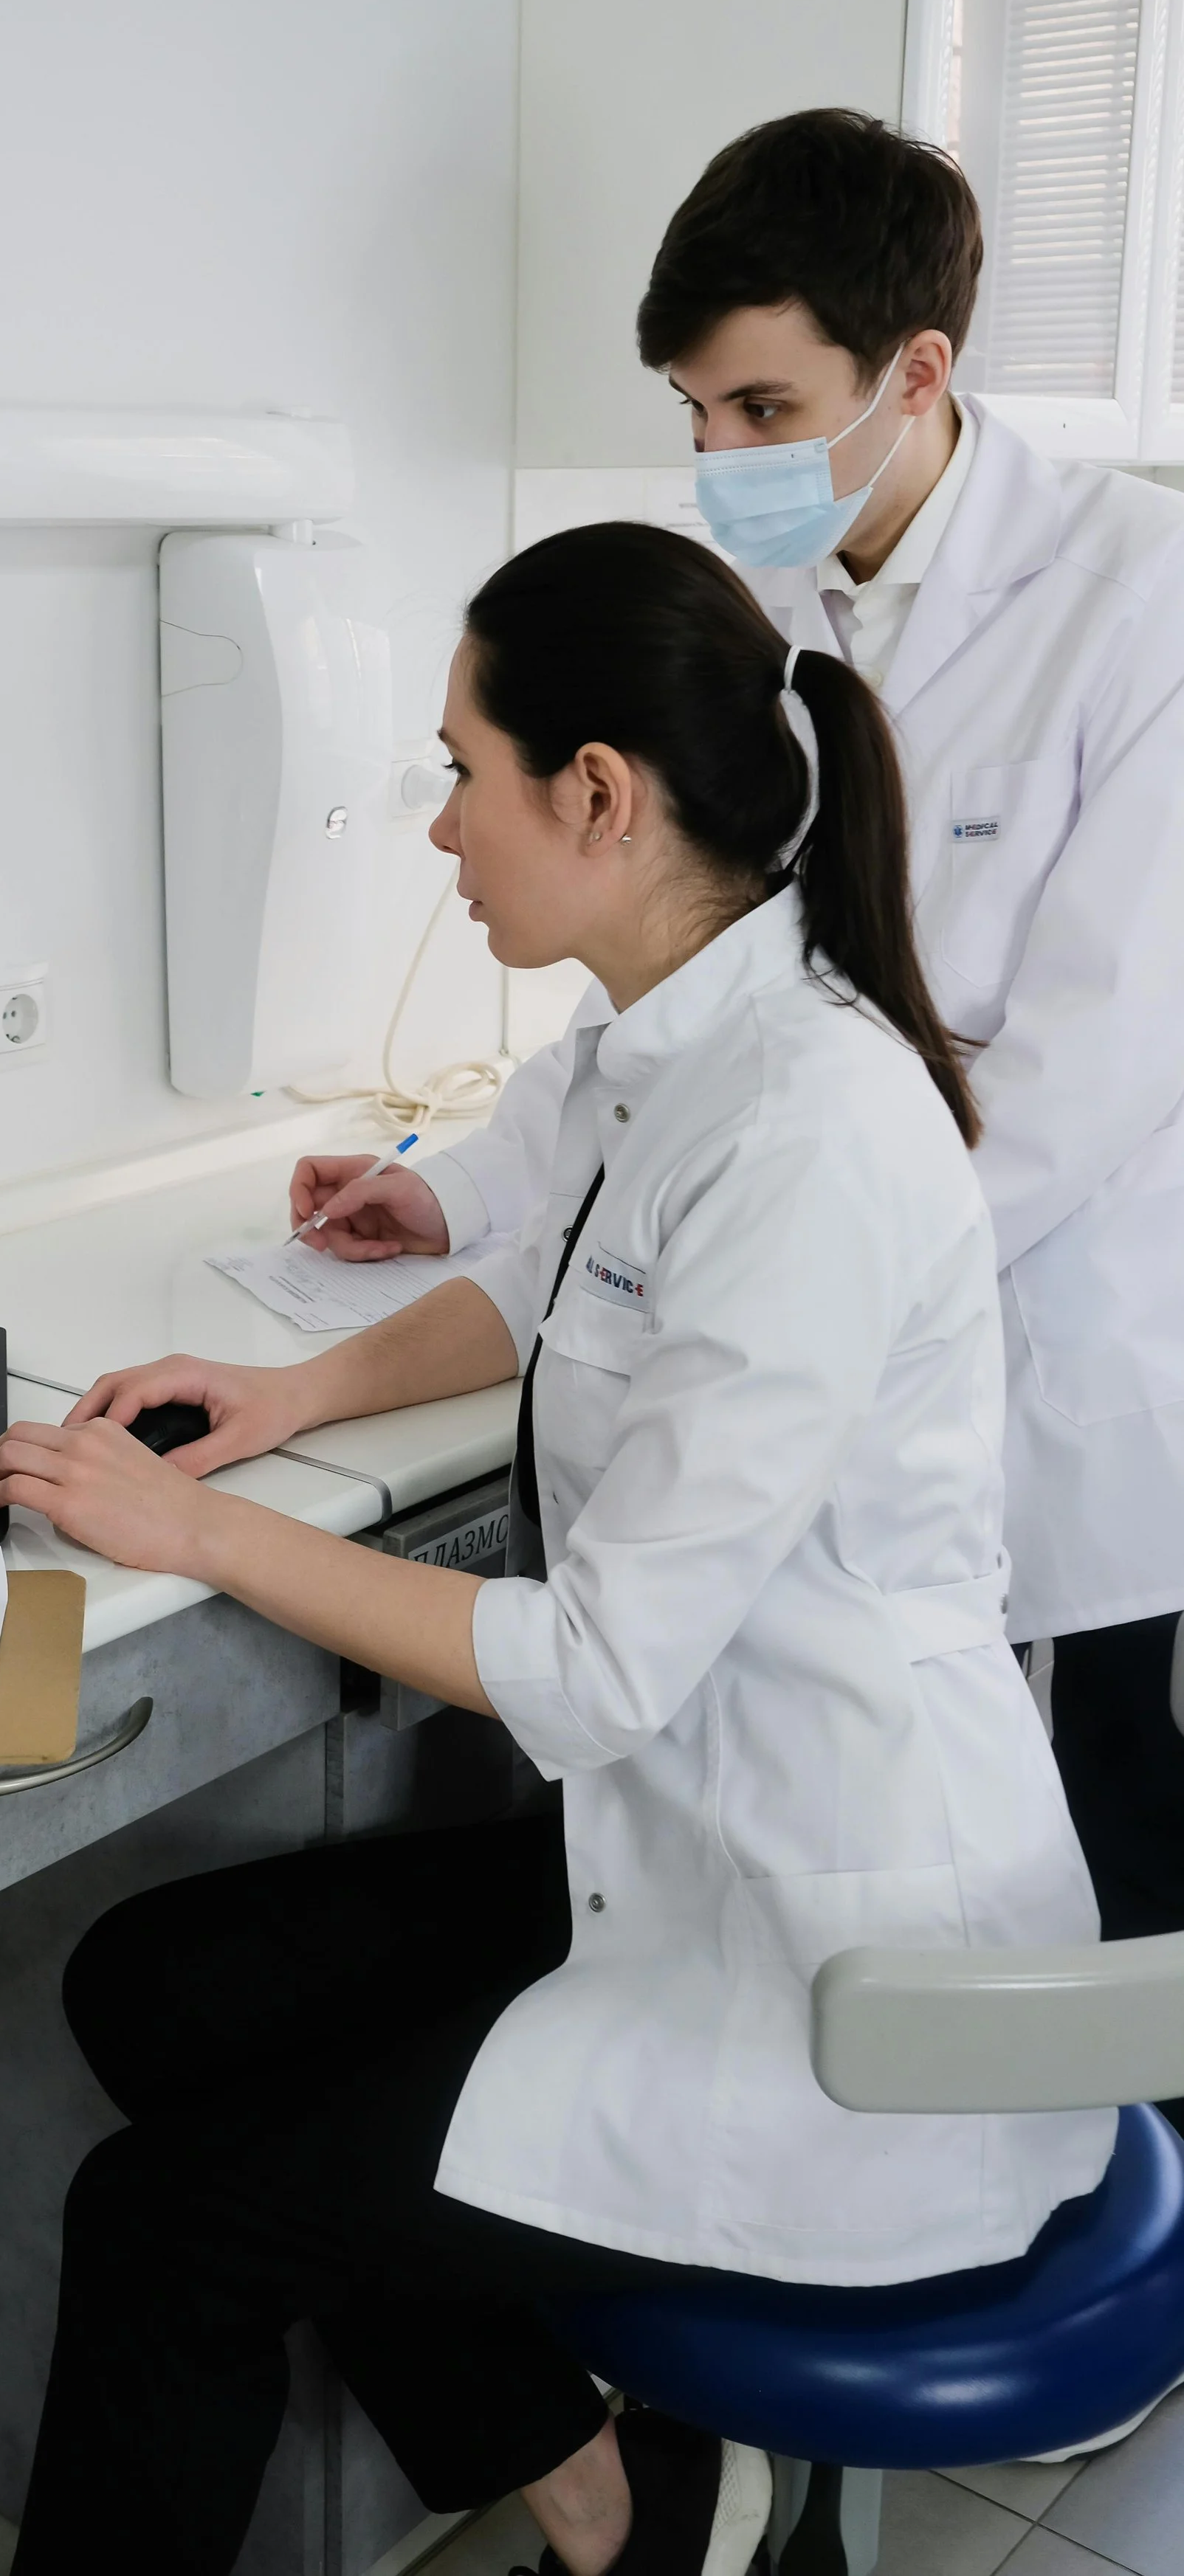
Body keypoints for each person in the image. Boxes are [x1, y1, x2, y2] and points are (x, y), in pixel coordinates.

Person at [0, 522, 1109, 2576]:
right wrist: (282, 1400)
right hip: (698, 1843)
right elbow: (552, 1280)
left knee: (166, 2217)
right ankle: (623, 2502)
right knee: (154, 1981)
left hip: (846, 1976)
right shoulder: (667, 1036)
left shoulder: (807, 1126)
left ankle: (622, 2504)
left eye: (455, 770)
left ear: (594, 791)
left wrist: (197, 1527)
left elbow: (592, 1665)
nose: (436, 827)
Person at [294, 112, 1184, 1973]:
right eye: (694, 413)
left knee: (1084, 1939)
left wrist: (761, 1259)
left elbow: (1085, 1082)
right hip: (818, 1364)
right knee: (798, 1865)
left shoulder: (1138, 600)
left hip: (1059, 1385)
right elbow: (694, 1007)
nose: (720, 461)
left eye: (763, 412)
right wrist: (451, 1190)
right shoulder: (770, 608)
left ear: (915, 373)